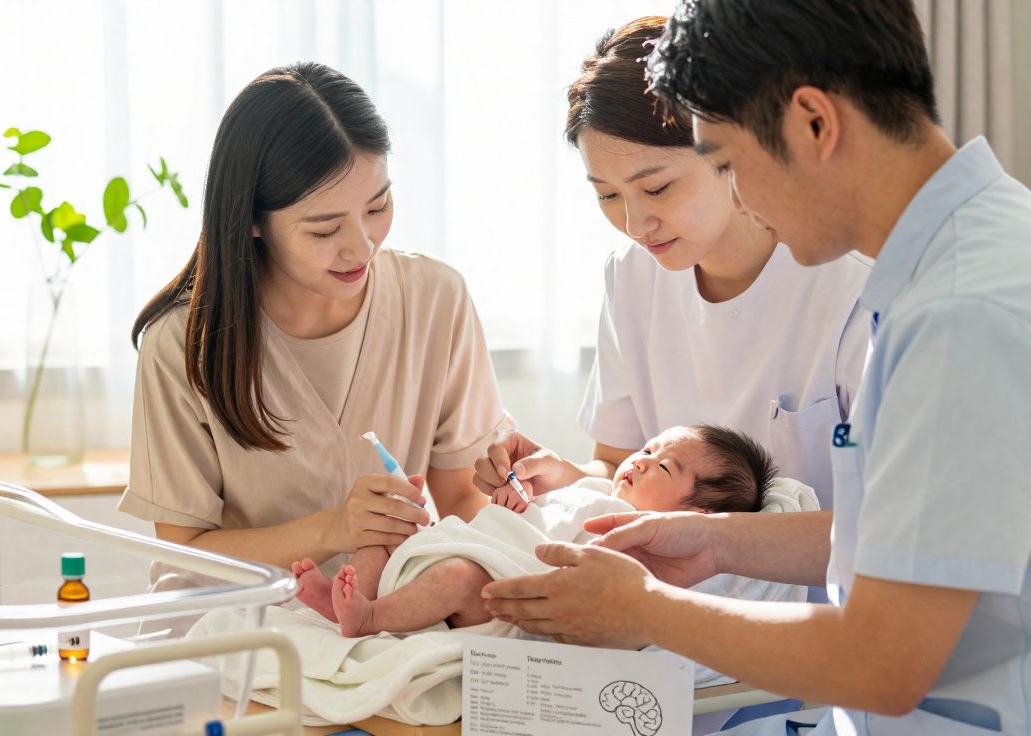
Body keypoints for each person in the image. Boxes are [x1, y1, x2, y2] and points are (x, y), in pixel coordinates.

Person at [482, 2, 1031, 734]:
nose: (740, 198)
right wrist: (712, 541)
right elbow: (890, 541)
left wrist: (645, 608)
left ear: (813, 123)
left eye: (731, 163)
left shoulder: (958, 313)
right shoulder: (964, 257)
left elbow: (885, 662)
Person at [119, 62, 508, 576]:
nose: (362, 247)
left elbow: (461, 497)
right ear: (252, 220)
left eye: (377, 208)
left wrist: (517, 514)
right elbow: (184, 552)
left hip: (390, 610)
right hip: (242, 614)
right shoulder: (182, 344)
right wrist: (332, 530)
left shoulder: (437, 299)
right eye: (325, 230)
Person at [474, 17, 870, 512]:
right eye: (607, 195)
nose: (634, 224)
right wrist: (560, 476)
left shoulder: (852, 286)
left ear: (730, 146)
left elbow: (885, 520)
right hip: (659, 558)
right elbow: (615, 466)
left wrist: (711, 542)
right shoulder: (631, 276)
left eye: (657, 188)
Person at [292, 424, 775, 637]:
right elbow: (533, 514)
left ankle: (370, 617)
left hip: (492, 588)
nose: (642, 462)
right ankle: (343, 602)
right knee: (387, 530)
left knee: (457, 578)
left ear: (693, 518)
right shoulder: (591, 486)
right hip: (464, 541)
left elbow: (588, 575)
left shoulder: (644, 535)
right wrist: (515, 499)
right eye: (648, 449)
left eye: (664, 468)